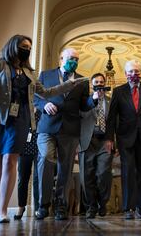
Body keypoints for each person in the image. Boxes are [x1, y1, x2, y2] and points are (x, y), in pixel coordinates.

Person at [0, 35, 85, 223]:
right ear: (13, 46)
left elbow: (45, 92)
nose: (27, 49)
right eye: (23, 46)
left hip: (19, 120)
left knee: (10, 163)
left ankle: (3, 209)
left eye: (29, 47)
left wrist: (70, 84)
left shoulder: (29, 72)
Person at [34, 47, 95, 221]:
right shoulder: (45, 75)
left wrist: (94, 99)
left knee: (65, 168)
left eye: (76, 59)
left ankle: (61, 205)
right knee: (45, 157)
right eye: (71, 58)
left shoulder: (82, 81)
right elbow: (36, 97)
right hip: (47, 126)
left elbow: (84, 105)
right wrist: (43, 105)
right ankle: (43, 205)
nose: (74, 61)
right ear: (61, 59)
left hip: (70, 129)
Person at [105, 59, 141, 220]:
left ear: (140, 73)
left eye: (136, 71)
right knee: (128, 171)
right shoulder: (118, 91)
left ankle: (139, 206)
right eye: (130, 71)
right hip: (125, 138)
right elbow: (111, 118)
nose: (133, 74)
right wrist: (110, 138)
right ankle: (128, 208)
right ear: (125, 74)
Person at [79, 73, 113, 219]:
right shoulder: (84, 101)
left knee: (103, 174)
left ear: (105, 84)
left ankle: (102, 202)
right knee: (86, 176)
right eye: (96, 82)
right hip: (87, 141)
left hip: (104, 142)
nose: (99, 84)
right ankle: (90, 207)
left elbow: (114, 123)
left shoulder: (111, 101)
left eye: (101, 82)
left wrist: (112, 140)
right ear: (92, 85)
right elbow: (80, 115)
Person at [14, 110, 41, 220]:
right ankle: (21, 207)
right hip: (24, 147)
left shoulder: (42, 108)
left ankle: (37, 208)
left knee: (37, 179)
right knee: (22, 179)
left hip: (39, 147)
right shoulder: (23, 108)